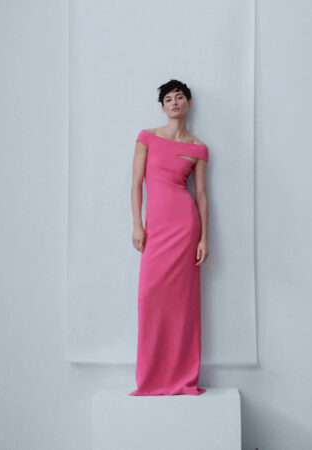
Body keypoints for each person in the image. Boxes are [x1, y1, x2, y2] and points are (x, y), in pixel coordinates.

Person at [129, 79, 209, 396]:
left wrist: (204, 238)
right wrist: (137, 224)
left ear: (189, 103)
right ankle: (151, 377)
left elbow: (201, 195)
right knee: (149, 298)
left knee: (182, 306)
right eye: (168, 99)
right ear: (162, 107)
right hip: (156, 229)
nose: (174, 102)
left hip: (185, 229)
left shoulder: (199, 148)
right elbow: (136, 184)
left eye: (179, 97)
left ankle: (182, 376)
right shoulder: (147, 137)